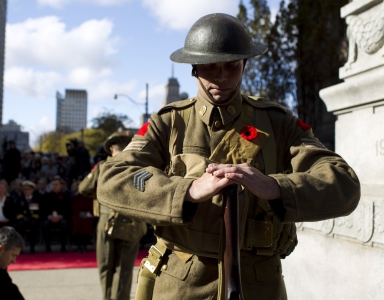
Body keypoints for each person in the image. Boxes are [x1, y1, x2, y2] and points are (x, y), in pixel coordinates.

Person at [96, 13, 361, 300]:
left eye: (232, 66)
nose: (222, 76)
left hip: (259, 285)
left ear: (244, 65)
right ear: (194, 69)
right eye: (210, 67)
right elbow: (113, 178)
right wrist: (186, 190)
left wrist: (276, 187)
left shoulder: (277, 123)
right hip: (182, 284)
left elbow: (343, 183)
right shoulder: (169, 123)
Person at [80, 131, 146, 300]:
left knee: (106, 266)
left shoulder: (103, 166)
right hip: (133, 222)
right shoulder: (141, 165)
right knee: (124, 269)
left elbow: (84, 189)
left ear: (111, 148)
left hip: (108, 220)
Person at [42, 176, 72, 252]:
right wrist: (50, 216)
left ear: (60, 185)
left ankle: (63, 246)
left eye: (56, 184)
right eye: (53, 184)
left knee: (64, 223)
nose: (54, 186)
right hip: (50, 218)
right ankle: (47, 246)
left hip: (62, 217)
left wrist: (60, 216)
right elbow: (44, 209)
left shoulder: (66, 196)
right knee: (45, 224)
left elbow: (68, 209)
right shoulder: (47, 196)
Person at [14, 180, 44, 254]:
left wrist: (32, 218)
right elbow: (17, 211)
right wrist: (23, 218)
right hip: (22, 219)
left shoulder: (37, 199)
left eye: (28, 189)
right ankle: (20, 248)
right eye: (25, 189)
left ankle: (32, 247)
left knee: (34, 226)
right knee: (19, 226)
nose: (26, 191)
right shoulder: (19, 199)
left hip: (33, 219)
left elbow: (39, 211)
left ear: (32, 190)